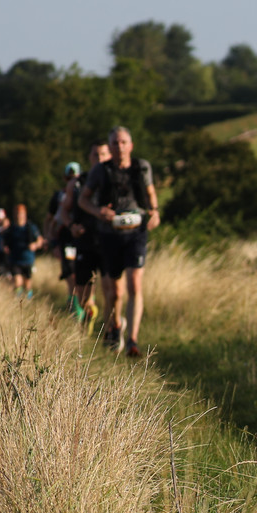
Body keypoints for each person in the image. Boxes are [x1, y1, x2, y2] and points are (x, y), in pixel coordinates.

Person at [77, 126, 160, 358]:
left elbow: (151, 194)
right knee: (114, 292)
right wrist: (98, 211)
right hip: (109, 234)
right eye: (115, 143)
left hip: (136, 232)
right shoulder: (99, 171)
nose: (119, 147)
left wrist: (154, 212)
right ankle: (114, 326)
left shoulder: (142, 167)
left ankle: (133, 340)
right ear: (110, 146)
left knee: (135, 283)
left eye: (123, 142)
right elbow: (83, 200)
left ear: (131, 145)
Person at [60, 140, 114, 333]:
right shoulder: (77, 183)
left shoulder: (115, 180)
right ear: (89, 158)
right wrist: (71, 226)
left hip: (108, 241)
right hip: (84, 242)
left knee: (111, 288)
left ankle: (110, 331)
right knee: (82, 294)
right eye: (95, 155)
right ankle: (89, 311)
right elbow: (64, 211)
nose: (99, 159)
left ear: (110, 155)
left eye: (103, 155)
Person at [48, 162, 82, 316]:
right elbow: (52, 221)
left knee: (85, 275)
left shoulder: (86, 193)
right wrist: (53, 242)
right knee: (70, 275)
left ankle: (85, 306)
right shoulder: (59, 197)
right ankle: (75, 310)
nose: (71, 181)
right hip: (65, 239)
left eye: (74, 178)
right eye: (69, 178)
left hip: (83, 239)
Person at [2, 203, 46, 297]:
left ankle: (27, 303)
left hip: (28, 259)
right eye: (17, 213)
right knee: (17, 282)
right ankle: (19, 302)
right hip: (15, 259)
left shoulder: (30, 227)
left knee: (28, 284)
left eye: (21, 213)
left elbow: (40, 240)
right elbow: (5, 242)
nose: (19, 216)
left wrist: (35, 245)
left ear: (25, 214)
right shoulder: (11, 228)